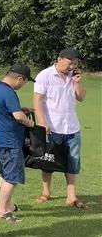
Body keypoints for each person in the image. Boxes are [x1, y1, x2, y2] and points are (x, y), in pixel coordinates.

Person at [33, 48, 87, 208]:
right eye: (70, 62)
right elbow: (38, 100)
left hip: (72, 127)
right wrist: (42, 122)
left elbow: (81, 97)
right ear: (59, 59)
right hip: (52, 127)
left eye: (75, 63)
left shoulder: (73, 77)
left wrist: (77, 83)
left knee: (73, 162)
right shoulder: (45, 75)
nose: (73, 66)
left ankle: (71, 196)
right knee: (48, 161)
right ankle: (46, 193)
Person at [0, 64, 36, 222]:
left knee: (4, 175)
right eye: (25, 82)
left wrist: (21, 109)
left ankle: (8, 206)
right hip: (10, 141)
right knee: (12, 178)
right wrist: (31, 124)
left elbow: (2, 111)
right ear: (20, 78)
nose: (24, 85)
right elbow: (18, 117)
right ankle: (3, 211)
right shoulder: (9, 92)